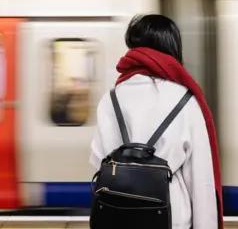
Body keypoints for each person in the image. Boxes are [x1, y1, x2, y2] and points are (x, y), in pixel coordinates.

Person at [89, 14, 223, 229]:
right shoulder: (185, 100)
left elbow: (98, 161)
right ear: (172, 48)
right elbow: (201, 181)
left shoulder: (111, 98)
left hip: (117, 217)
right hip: (171, 220)